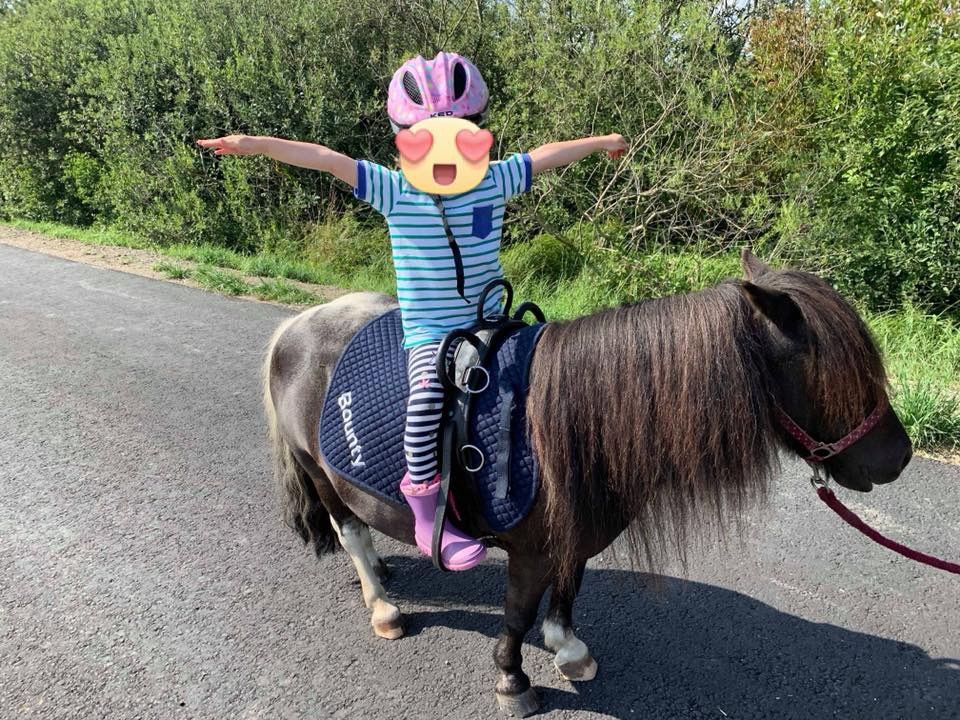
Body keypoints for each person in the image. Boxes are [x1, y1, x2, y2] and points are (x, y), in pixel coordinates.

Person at [198, 51, 626, 571]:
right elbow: (322, 156)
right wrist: (253, 145)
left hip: (493, 323)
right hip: (432, 333)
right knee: (425, 404)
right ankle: (427, 511)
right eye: (427, 137)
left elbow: (548, 153)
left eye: (458, 132)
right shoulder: (394, 190)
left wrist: (602, 143)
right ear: (408, 140)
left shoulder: (495, 178)